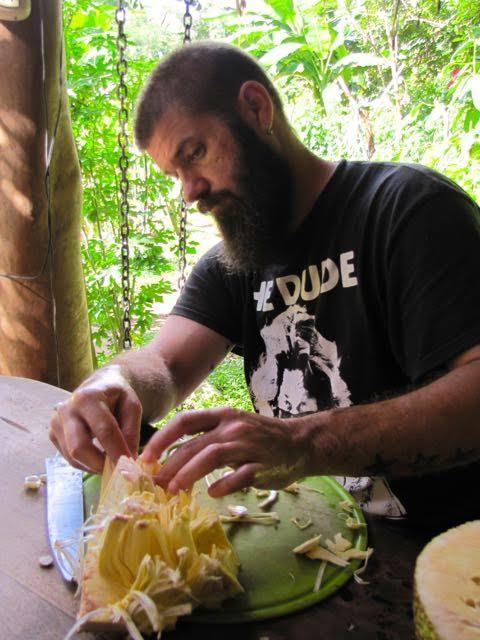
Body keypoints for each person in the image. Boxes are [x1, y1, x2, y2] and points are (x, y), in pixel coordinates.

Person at [50, 42, 480, 523]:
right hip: (315, 546)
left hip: (443, 560)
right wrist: (116, 381)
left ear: (256, 108)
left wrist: (301, 441)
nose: (190, 192)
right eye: (176, 174)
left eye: (195, 153)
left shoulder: (408, 211)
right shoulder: (233, 265)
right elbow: (165, 363)